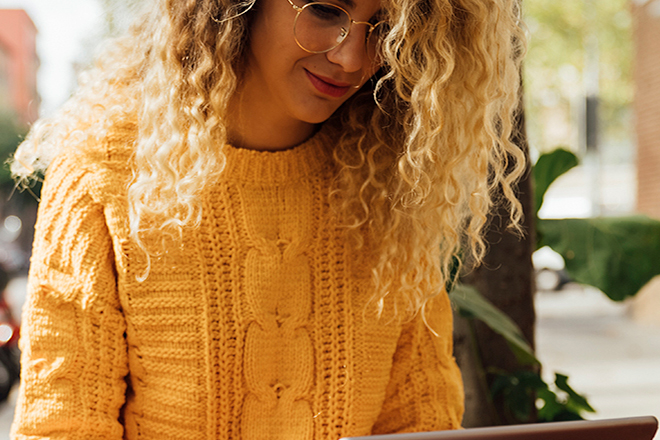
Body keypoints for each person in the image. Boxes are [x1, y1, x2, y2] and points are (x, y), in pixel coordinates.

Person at [9, 0, 526, 438]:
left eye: (386, 28)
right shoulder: (105, 170)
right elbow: (64, 423)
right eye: (325, 10)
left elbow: (422, 420)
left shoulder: (395, 189)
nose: (351, 57)